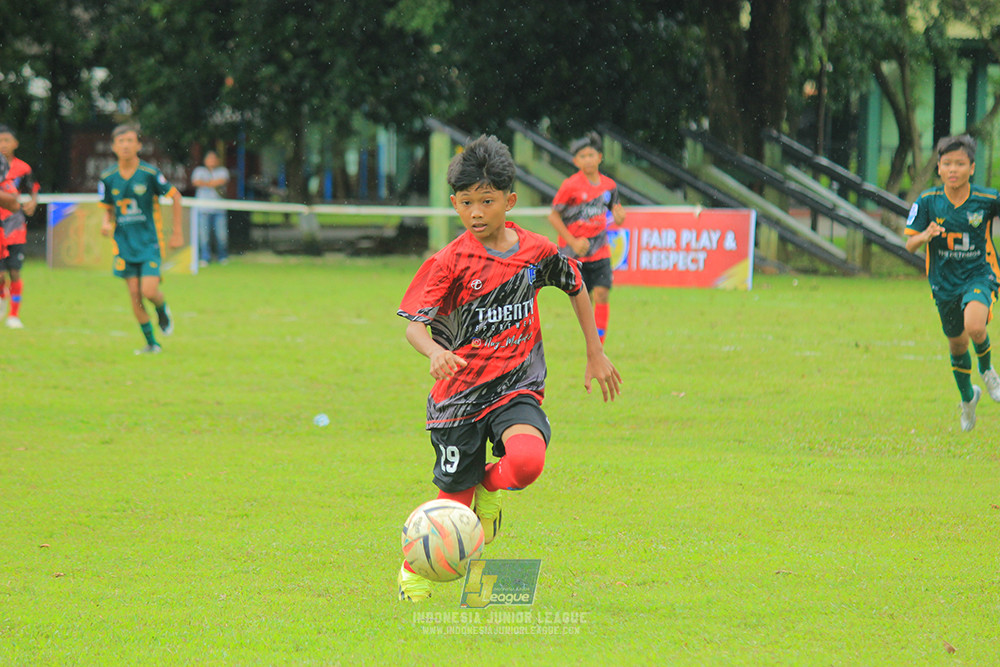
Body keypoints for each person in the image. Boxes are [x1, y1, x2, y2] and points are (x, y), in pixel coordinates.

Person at [395, 135, 623, 601]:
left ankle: (491, 485)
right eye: (465, 203)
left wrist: (593, 351)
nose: (475, 213)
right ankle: (412, 573)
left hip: (516, 387)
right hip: (457, 400)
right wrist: (434, 352)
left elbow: (574, 282)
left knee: (526, 463)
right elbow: (414, 326)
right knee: (453, 510)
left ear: (509, 200)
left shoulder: (535, 251)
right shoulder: (449, 261)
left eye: (486, 201)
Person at [905, 133, 1000, 431]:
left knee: (975, 325)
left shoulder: (987, 199)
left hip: (979, 274)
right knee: (957, 344)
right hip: (944, 283)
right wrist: (925, 235)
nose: (953, 169)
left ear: (972, 167)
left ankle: (987, 372)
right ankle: (967, 398)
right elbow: (909, 245)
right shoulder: (928, 202)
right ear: (939, 168)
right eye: (947, 164)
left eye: (960, 163)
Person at [99, 125, 184, 354]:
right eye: (121, 141)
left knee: (148, 291)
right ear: (113, 147)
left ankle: (161, 308)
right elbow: (108, 209)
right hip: (124, 246)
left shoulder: (149, 174)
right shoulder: (107, 178)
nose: (125, 145)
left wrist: (177, 232)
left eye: (130, 140)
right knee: (135, 295)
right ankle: (152, 343)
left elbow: (176, 196)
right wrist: (106, 222)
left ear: (138, 145)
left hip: (149, 243)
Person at [547, 131, 626, 343]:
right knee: (584, 299)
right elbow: (554, 216)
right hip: (576, 253)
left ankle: (599, 343)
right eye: (583, 156)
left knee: (602, 294)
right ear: (575, 161)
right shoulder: (570, 186)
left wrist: (620, 216)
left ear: (600, 157)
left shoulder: (609, 186)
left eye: (591, 155)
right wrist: (572, 242)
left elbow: (616, 210)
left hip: (600, 250)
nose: (588, 160)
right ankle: (592, 338)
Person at [0, 126, 39, 329]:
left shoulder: (23, 168)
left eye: (7, 140)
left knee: (15, 271)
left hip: (14, 226)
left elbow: (32, 189)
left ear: (15, 143)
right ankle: (1, 298)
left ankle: (14, 314)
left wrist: (32, 202)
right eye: (0, 140)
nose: (3, 144)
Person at [190, 150, 230, 266]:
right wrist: (212, 183)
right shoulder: (199, 171)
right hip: (203, 209)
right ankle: (205, 257)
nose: (211, 161)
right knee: (203, 236)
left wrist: (206, 183)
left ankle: (222, 257)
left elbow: (222, 180)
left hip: (219, 209)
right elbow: (196, 182)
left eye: (214, 158)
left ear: (217, 160)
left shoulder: (223, 171)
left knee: (221, 236)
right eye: (209, 158)